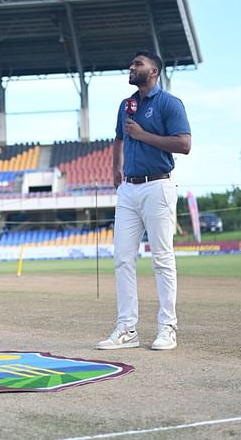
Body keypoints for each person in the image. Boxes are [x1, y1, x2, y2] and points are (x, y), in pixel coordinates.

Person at [96, 50, 191, 352]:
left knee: (162, 259)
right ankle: (127, 329)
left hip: (158, 185)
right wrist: (115, 168)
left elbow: (184, 144)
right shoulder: (126, 105)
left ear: (153, 71)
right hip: (129, 188)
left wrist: (144, 134)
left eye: (137, 64)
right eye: (132, 63)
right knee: (123, 258)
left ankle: (167, 328)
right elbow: (119, 138)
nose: (131, 67)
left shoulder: (169, 103)